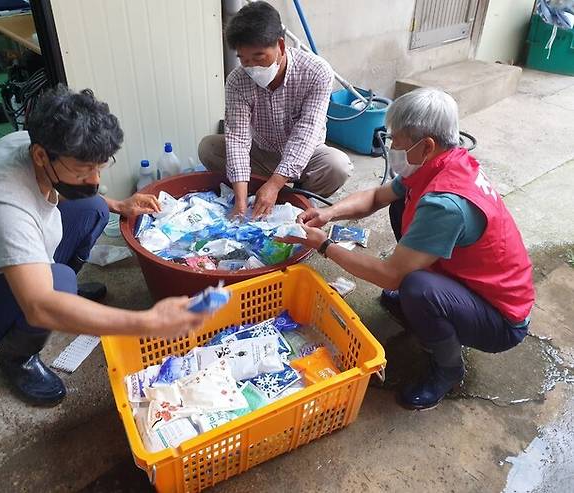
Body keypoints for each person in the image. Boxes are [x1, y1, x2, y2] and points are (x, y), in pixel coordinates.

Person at [0, 85, 205, 407]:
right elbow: (40, 304)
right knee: (57, 285)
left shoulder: (26, 142)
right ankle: (17, 358)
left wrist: (119, 204)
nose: (94, 179)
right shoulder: (4, 207)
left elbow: (75, 189)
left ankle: (65, 294)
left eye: (99, 167)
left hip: (3, 265)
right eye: (82, 170)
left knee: (94, 207)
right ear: (40, 155)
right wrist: (148, 322)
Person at [279, 88, 535, 410]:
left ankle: (448, 369)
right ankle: (432, 306)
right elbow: (375, 197)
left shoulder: (446, 203)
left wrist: (325, 245)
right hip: (474, 284)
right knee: (400, 206)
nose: (392, 148)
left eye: (397, 141)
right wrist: (328, 213)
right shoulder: (441, 162)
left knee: (415, 287)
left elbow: (388, 276)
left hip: (501, 319)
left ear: (426, 144)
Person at [198, 1, 350, 219]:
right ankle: (272, 192)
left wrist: (275, 184)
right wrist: (240, 204)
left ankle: (293, 194)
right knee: (209, 147)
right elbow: (238, 139)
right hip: (263, 152)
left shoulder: (317, 72)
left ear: (280, 45)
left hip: (307, 155)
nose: (252, 67)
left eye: (259, 57)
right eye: (244, 60)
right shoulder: (237, 80)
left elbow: (306, 133)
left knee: (337, 166)